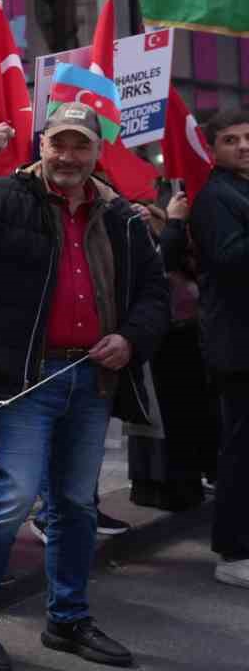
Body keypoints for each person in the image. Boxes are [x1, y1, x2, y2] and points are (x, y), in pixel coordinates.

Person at [0, 106, 168, 671]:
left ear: (96, 153)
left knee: (74, 504)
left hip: (91, 379)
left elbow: (153, 296)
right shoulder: (2, 197)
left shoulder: (121, 217)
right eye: (58, 144)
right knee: (12, 499)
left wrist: (130, 339)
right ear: (41, 145)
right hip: (27, 379)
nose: (68, 157)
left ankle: (67, 618)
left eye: (80, 146)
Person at [188, 108, 249, 588]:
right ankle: (233, 551)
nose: (243, 146)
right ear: (215, 147)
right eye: (231, 140)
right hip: (236, 344)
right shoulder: (214, 197)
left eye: (248, 137)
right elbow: (228, 260)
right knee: (239, 449)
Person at [127, 188, 213, 513]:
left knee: (187, 417)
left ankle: (186, 481)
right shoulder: (138, 230)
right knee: (162, 418)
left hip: (187, 335)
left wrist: (171, 224)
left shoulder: (177, 232)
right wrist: (172, 224)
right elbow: (159, 270)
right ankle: (161, 486)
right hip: (160, 338)